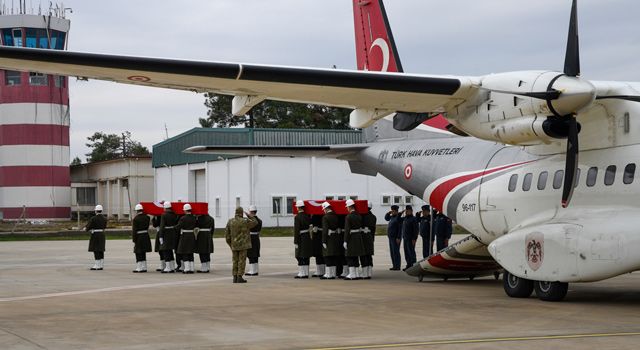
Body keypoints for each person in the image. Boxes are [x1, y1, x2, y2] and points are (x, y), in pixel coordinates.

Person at [225, 207, 258, 283]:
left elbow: (227, 235)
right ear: (241, 213)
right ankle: (239, 276)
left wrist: (230, 244)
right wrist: (249, 216)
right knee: (242, 261)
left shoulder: (230, 221)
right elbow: (255, 222)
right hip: (243, 245)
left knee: (235, 261)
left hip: (234, 244)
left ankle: (234, 277)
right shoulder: (245, 221)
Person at [344, 199, 365, 280]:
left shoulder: (348, 217)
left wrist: (345, 241)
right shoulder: (359, 215)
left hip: (351, 238)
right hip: (358, 237)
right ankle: (356, 274)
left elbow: (347, 230)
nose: (347, 209)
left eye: (347, 207)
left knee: (350, 256)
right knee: (356, 256)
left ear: (350, 207)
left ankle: (352, 274)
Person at [293, 200, 313, 279]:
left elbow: (296, 230)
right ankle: (306, 272)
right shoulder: (307, 216)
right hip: (307, 237)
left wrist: (296, 241)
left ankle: (302, 273)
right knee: (306, 255)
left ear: (298, 207)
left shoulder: (297, 217)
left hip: (301, 237)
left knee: (299, 255)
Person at [320, 202, 340, 279]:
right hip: (335, 237)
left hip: (328, 238)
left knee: (327, 256)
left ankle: (328, 274)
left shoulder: (325, 217)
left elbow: (325, 230)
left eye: (324, 209)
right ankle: (333, 274)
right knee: (333, 256)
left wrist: (324, 241)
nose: (323, 210)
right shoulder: (335, 216)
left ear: (326, 208)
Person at [176, 204, 197, 274]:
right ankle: (191, 268)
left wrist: (173, 227)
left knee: (185, 252)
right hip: (192, 235)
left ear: (185, 210)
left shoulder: (183, 218)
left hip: (185, 236)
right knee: (190, 252)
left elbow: (178, 227)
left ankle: (187, 268)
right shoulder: (194, 217)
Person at [86, 204, 107, 270]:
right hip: (102, 234)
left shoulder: (93, 218)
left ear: (96, 211)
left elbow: (89, 226)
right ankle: (101, 264)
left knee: (96, 249)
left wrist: (87, 229)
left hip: (95, 235)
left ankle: (97, 265)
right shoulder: (104, 218)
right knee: (101, 249)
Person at [159, 202, 178, 273]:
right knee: (170, 250)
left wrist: (160, 236)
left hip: (166, 234)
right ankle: (172, 266)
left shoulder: (164, 215)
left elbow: (162, 226)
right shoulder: (174, 214)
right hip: (172, 233)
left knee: (165, 250)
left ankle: (168, 267)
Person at [132, 203, 151, 273]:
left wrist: (134, 240)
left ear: (137, 211)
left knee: (138, 252)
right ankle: (144, 267)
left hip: (139, 236)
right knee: (143, 252)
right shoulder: (147, 217)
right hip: (145, 235)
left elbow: (134, 230)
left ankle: (139, 267)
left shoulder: (136, 219)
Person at [360, 201, 377, 279]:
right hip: (370, 236)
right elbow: (373, 229)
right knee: (369, 255)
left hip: (363, 237)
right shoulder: (373, 217)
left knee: (363, 254)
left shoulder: (361, 216)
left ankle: (364, 273)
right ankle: (369, 272)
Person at [384, 205, 403, 271]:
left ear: (396, 211)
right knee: (392, 252)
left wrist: (398, 237)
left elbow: (400, 229)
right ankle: (394, 265)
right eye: (392, 211)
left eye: (394, 211)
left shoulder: (398, 218)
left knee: (396, 252)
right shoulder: (392, 217)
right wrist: (388, 213)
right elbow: (386, 218)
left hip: (396, 238)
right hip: (391, 237)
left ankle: (397, 266)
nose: (392, 212)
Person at [245, 205, 262, 276]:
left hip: (251, 237)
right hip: (256, 238)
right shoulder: (260, 220)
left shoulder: (249, 221)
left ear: (251, 212)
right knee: (255, 254)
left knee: (251, 254)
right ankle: (255, 270)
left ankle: (252, 270)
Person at [401, 205, 419, 271]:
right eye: (406, 211)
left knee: (411, 252)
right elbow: (398, 219)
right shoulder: (405, 218)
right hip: (405, 238)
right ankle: (408, 265)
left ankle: (413, 265)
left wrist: (414, 238)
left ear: (411, 211)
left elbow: (416, 230)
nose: (407, 212)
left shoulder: (414, 219)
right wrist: (401, 213)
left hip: (411, 239)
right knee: (406, 253)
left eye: (408, 211)